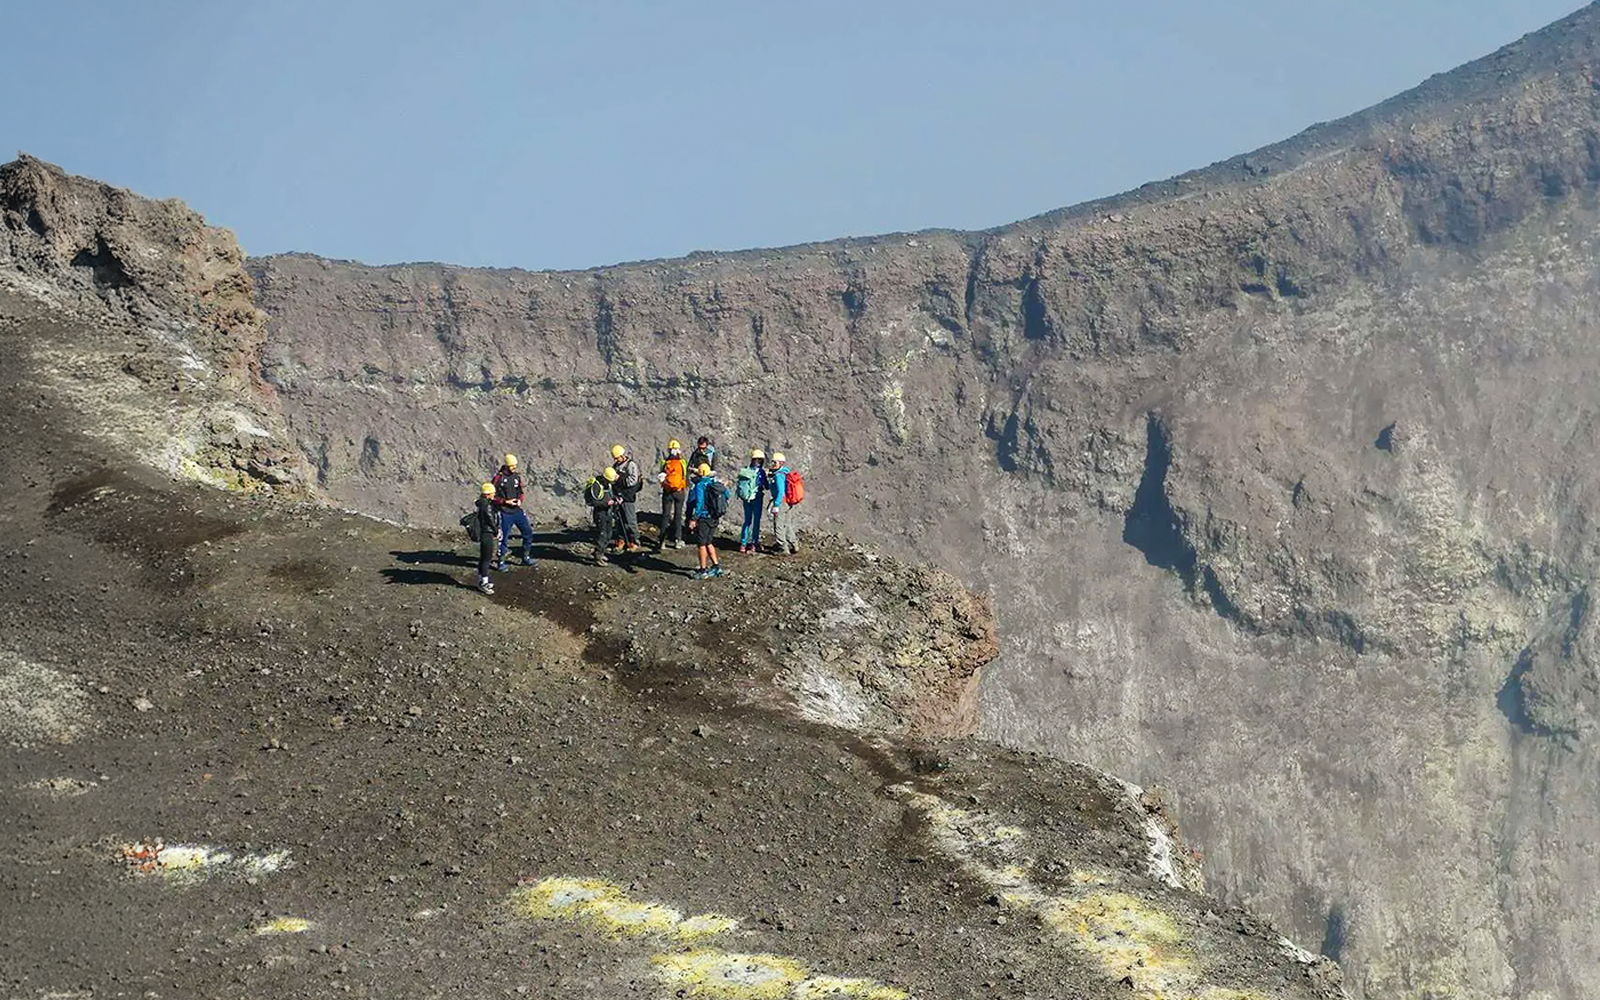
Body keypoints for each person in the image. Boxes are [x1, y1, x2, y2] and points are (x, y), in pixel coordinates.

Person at [492, 452, 535, 569]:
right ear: (506, 465)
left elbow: (521, 491)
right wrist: (505, 502)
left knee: (528, 532)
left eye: (515, 465)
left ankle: (525, 557)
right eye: (512, 466)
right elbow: (492, 496)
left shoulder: (516, 477)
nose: (514, 468)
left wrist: (520, 500)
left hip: (517, 510)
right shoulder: (498, 478)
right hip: (504, 512)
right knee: (504, 537)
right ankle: (501, 562)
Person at [687, 463, 727, 579]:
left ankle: (703, 570)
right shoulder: (715, 484)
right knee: (709, 542)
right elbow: (727, 495)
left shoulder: (700, 485)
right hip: (714, 517)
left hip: (704, 518)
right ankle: (716, 566)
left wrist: (694, 519)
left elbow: (699, 503)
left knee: (701, 544)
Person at [657, 439, 689, 551]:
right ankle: (677, 539)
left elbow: (661, 476)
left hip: (667, 492)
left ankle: (661, 541)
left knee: (665, 515)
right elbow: (685, 475)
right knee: (678, 515)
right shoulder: (682, 462)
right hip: (679, 492)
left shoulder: (665, 462)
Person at [767, 451, 801, 555]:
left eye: (775, 462)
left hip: (781, 502)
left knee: (778, 525)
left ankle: (783, 548)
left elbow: (780, 491)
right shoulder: (785, 473)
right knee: (787, 524)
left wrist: (776, 505)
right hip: (788, 502)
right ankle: (794, 544)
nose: (773, 464)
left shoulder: (779, 476)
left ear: (781, 463)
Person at [584, 466, 620, 564]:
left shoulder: (607, 485)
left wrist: (616, 499)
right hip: (600, 513)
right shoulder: (596, 486)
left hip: (608, 512)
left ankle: (601, 552)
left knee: (609, 534)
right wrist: (607, 503)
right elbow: (594, 502)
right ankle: (598, 556)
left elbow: (610, 495)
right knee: (603, 535)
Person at [610, 443, 642, 552]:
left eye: (617, 457)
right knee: (620, 520)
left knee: (630, 520)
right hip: (618, 496)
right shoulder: (615, 466)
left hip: (628, 497)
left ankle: (634, 540)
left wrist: (619, 479)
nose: (616, 460)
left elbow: (633, 481)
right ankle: (621, 540)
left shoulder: (631, 465)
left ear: (622, 455)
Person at [736, 449, 767, 554]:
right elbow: (766, 486)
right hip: (757, 497)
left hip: (746, 499)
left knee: (747, 521)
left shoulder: (745, 470)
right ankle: (754, 544)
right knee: (756, 521)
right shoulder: (761, 472)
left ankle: (743, 544)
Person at [473, 482, 500, 594]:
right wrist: (496, 530)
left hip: (484, 533)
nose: (494, 494)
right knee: (487, 558)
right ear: (488, 494)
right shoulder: (487, 506)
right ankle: (484, 583)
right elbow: (490, 520)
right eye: (493, 493)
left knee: (483, 557)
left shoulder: (481, 504)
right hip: (487, 533)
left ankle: (482, 580)